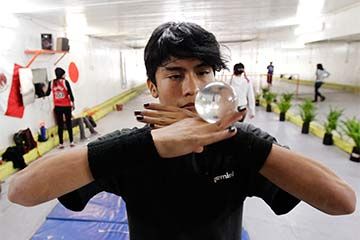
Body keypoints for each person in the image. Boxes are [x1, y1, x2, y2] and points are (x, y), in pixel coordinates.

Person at [8, 22, 356, 240]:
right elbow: (21, 192)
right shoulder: (133, 151)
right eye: (175, 75)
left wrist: (232, 138)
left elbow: (342, 202)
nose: (192, 88)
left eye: (203, 72)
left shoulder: (241, 145)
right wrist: (147, 143)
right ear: (153, 87)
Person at [44, 67, 75, 148]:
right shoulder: (65, 82)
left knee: (60, 125)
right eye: (64, 73)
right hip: (66, 106)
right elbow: (70, 94)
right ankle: (71, 141)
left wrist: (42, 90)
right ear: (62, 74)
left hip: (58, 107)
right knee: (68, 123)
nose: (65, 75)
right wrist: (73, 103)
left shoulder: (51, 83)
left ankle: (61, 143)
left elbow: (47, 93)